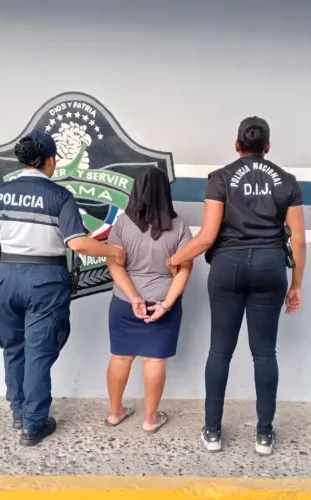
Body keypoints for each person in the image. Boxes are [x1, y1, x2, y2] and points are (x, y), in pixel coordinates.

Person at [166, 117, 306, 455]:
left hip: (227, 267)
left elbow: (207, 237)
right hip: (270, 267)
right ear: (267, 146)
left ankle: (213, 431)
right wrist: (296, 284)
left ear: (237, 145)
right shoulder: (287, 182)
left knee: (220, 350)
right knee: (265, 352)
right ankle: (264, 435)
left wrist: (176, 258)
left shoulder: (220, 179)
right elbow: (299, 240)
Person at [0, 130, 125, 447]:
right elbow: (78, 243)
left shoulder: (1, 193)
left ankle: (19, 412)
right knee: (38, 354)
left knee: (13, 348)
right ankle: (34, 424)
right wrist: (113, 251)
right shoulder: (60, 196)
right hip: (44, 280)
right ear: (50, 161)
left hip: (5, 277)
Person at [103, 167, 193, 434]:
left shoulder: (122, 224)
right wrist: (166, 304)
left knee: (120, 356)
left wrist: (133, 298)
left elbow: (114, 264)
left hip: (124, 302)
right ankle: (150, 419)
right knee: (154, 361)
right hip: (162, 302)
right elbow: (185, 269)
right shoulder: (180, 226)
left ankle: (115, 413)